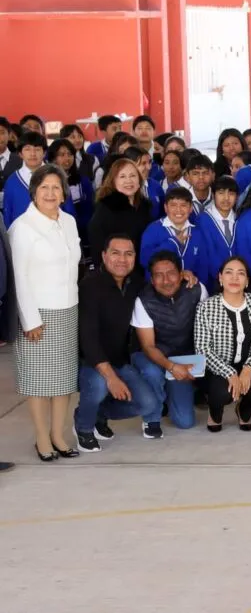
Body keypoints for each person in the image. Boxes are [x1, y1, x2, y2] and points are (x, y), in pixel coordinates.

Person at [10, 165, 82, 460]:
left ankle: (58, 434)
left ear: (64, 193)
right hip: (37, 313)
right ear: (34, 192)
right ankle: (42, 438)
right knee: (38, 382)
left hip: (67, 307)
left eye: (56, 187)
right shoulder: (23, 228)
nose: (51, 193)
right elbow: (19, 277)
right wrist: (30, 320)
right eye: (44, 188)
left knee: (63, 379)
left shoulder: (68, 222)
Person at [75, 234, 164, 451]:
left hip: (120, 360)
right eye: (116, 253)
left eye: (128, 254)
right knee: (97, 387)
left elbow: (161, 285)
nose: (122, 259)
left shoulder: (135, 282)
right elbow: (88, 338)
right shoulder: (91, 285)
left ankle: (98, 414)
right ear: (104, 256)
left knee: (149, 403)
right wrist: (111, 378)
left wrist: (186, 277)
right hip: (91, 360)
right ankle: (83, 426)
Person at [131, 251, 208, 431]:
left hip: (183, 356)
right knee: (152, 373)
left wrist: (194, 363)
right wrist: (172, 367)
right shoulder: (144, 300)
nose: (166, 280)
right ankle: (152, 419)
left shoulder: (196, 290)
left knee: (185, 422)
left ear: (181, 274)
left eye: (171, 273)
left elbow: (206, 330)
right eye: (159, 275)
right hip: (153, 356)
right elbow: (148, 346)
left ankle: (168, 396)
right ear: (151, 280)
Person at [193, 256, 251, 432]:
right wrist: (229, 373)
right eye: (229, 273)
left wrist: (249, 368)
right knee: (221, 392)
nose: (234, 278)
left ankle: (243, 411)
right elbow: (202, 348)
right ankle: (215, 413)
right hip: (217, 368)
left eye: (240, 274)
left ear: (247, 281)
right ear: (220, 278)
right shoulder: (206, 307)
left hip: (248, 364)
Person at [89, 157, 153, 262]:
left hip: (141, 268)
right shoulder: (106, 207)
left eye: (132, 176)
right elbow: (97, 246)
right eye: (122, 176)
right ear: (113, 182)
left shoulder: (145, 206)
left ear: (139, 181)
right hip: (116, 268)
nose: (128, 181)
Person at [140, 186, 203, 279]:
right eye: (173, 205)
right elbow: (145, 260)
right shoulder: (153, 229)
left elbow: (203, 266)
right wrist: (173, 243)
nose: (178, 210)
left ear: (191, 208)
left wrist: (199, 284)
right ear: (165, 208)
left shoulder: (197, 232)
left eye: (183, 205)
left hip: (189, 288)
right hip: (158, 288)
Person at [196, 175, 239, 291]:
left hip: (238, 281)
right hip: (212, 282)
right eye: (221, 193)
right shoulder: (202, 220)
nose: (226, 198)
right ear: (213, 195)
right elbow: (205, 254)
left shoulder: (240, 220)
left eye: (231, 194)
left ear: (237, 197)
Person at [4, 132, 51, 226]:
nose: (33, 154)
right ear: (20, 154)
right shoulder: (12, 181)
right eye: (27, 149)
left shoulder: (56, 176)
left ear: (44, 153)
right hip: (21, 235)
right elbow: (8, 213)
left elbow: (68, 209)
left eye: (37, 149)